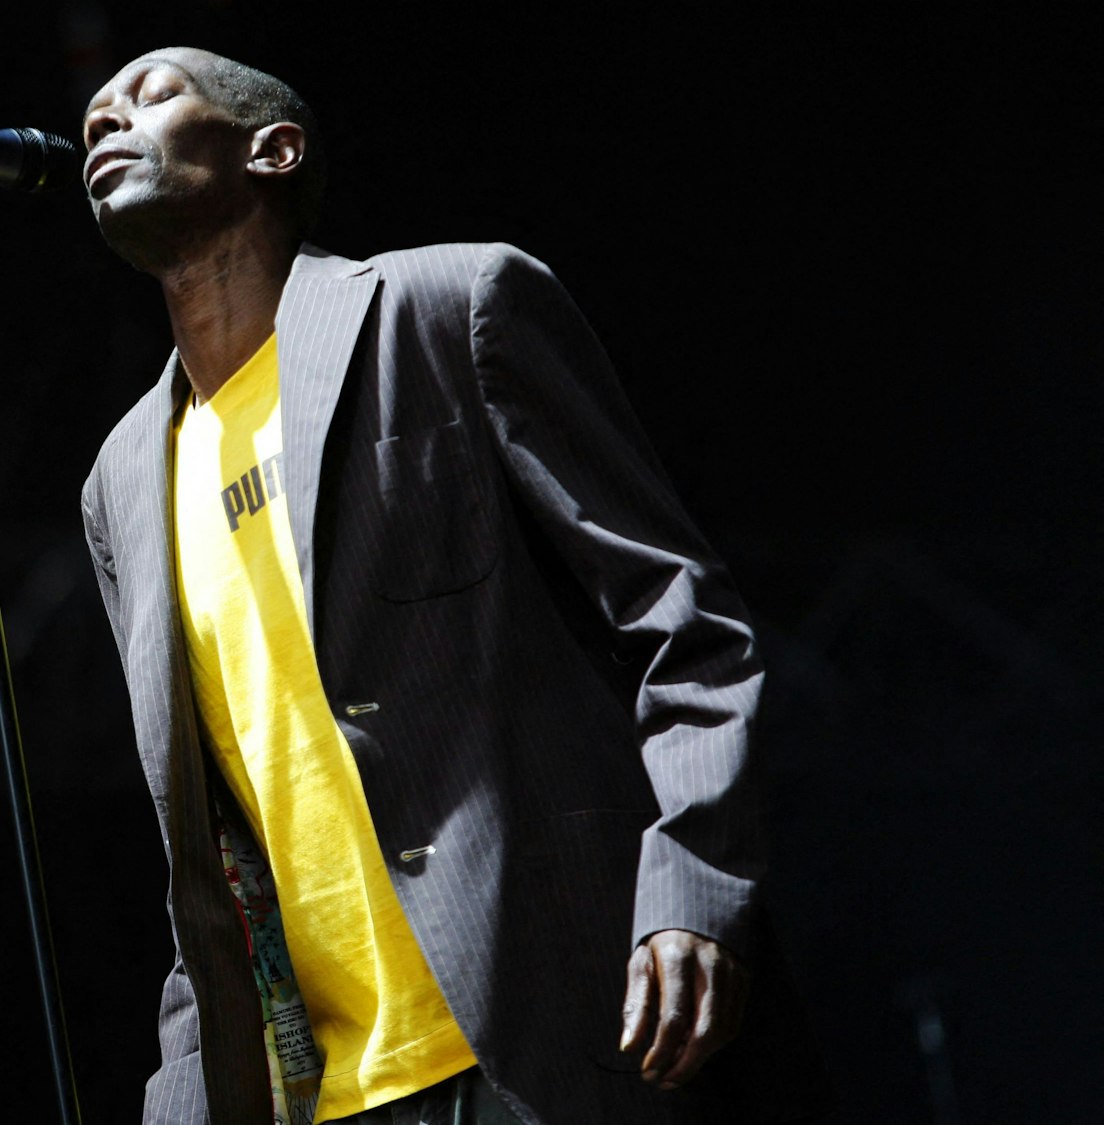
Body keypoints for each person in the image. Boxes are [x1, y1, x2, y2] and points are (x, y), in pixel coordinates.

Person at [76, 47, 822, 1125]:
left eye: (150, 97)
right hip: (322, 1092)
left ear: (270, 149)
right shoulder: (121, 478)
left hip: (565, 1028)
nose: (105, 123)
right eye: (94, 115)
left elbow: (686, 625)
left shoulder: (450, 308)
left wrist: (690, 892)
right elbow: (206, 849)